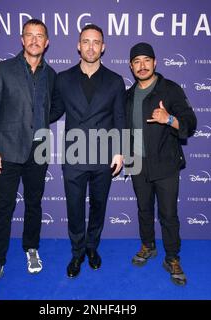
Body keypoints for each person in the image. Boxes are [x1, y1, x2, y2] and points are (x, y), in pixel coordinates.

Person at [0, 19, 56, 294]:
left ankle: (31, 248)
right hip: (7, 151)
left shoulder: (51, 74)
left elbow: (52, 109)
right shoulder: (3, 69)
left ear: (46, 42)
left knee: (34, 204)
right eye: (29, 35)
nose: (35, 40)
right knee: (4, 209)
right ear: (22, 40)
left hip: (38, 151)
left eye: (40, 36)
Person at [50, 24, 125, 278]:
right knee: (74, 207)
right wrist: (28, 112)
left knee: (98, 205)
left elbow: (119, 118)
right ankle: (77, 252)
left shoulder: (115, 81)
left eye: (96, 42)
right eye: (86, 41)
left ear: (102, 47)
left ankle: (92, 247)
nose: (91, 46)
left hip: (104, 155)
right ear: (78, 46)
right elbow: (54, 111)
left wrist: (119, 151)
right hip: (74, 155)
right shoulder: (63, 79)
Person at [125, 42, 197, 286]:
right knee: (144, 209)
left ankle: (172, 257)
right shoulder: (128, 95)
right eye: (137, 61)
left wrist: (169, 119)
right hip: (137, 164)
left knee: (168, 214)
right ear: (131, 66)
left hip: (165, 164)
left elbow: (190, 122)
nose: (142, 66)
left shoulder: (170, 90)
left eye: (146, 60)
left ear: (155, 63)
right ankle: (148, 246)